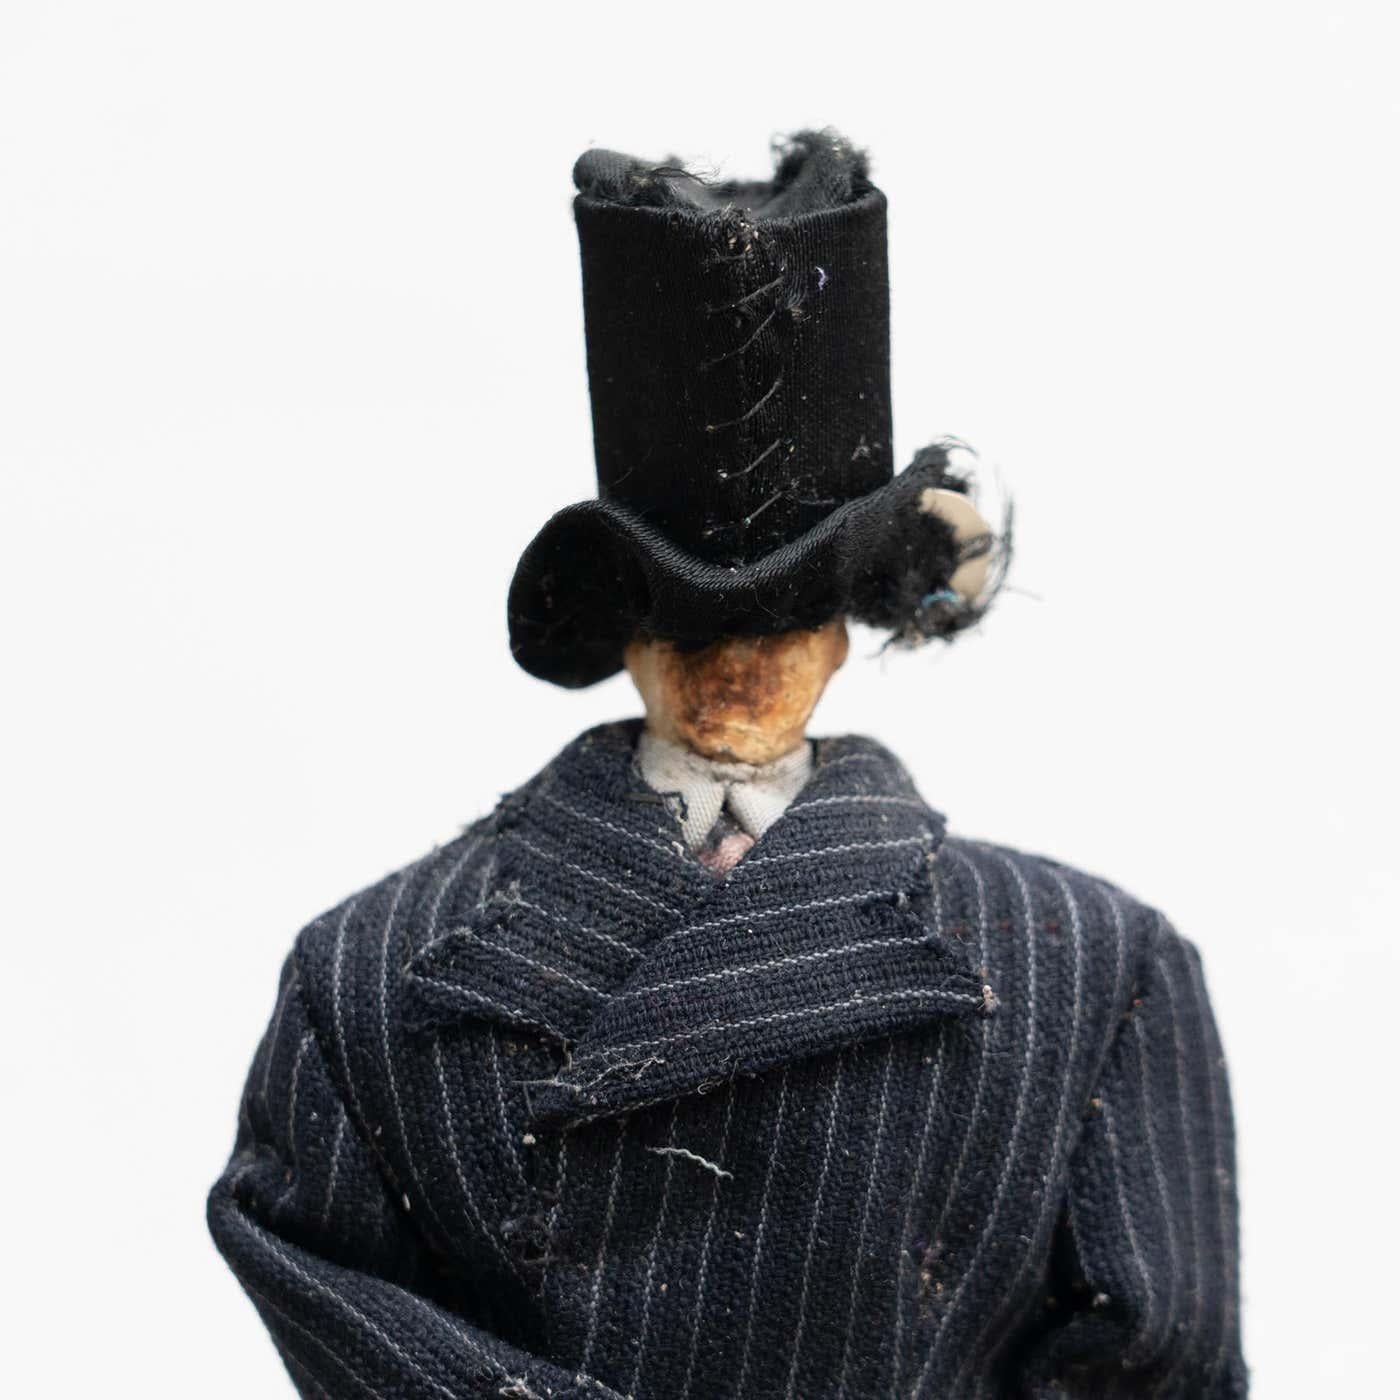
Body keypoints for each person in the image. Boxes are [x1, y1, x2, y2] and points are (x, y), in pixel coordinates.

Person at [209, 130, 1246, 1398]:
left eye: (783, 620)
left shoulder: (1085, 968)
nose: (737, 666)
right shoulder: (371, 973)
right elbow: (316, 1265)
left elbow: (1152, 1361)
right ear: (622, 636)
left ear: (847, 632)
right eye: (687, 619)